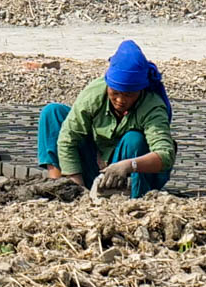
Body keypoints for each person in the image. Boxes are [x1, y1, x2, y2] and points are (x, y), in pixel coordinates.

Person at [37, 39, 174, 198]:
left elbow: (166, 154)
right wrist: (77, 188)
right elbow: (68, 139)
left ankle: (132, 196)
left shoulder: (152, 106)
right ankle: (58, 187)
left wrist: (129, 165)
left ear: (140, 90)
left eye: (129, 95)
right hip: (95, 163)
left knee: (134, 139)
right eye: (115, 93)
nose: (120, 100)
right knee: (52, 113)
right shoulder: (94, 94)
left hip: (130, 176)